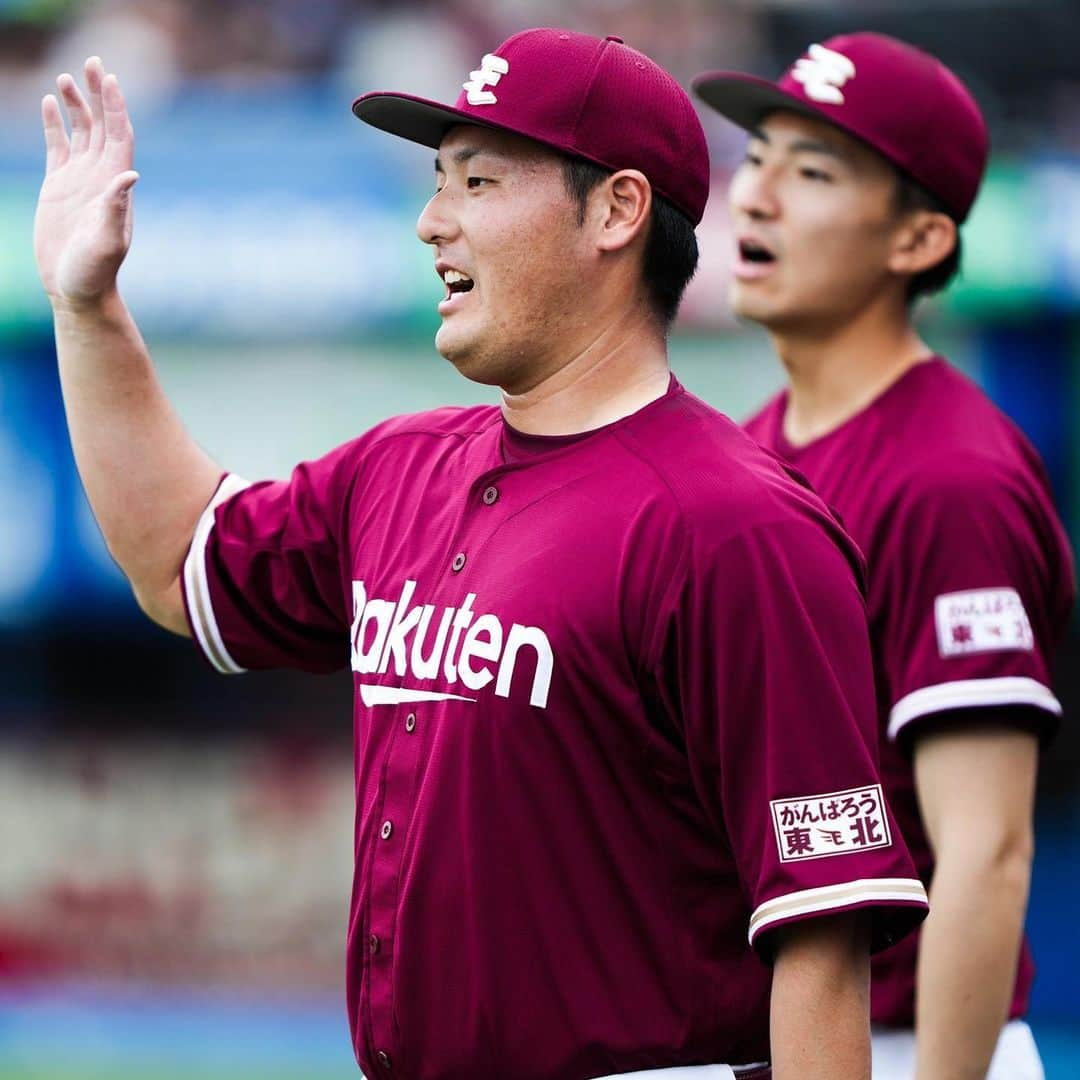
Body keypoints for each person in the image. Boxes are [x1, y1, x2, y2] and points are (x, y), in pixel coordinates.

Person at [35, 29, 928, 1080]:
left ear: (617, 210)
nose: (432, 221)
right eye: (436, 180)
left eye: (479, 179)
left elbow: (820, 945)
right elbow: (178, 561)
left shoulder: (741, 530)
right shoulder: (398, 468)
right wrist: (87, 309)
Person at [694, 32, 1075, 1080]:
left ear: (916, 239)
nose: (759, 194)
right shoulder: (750, 446)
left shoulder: (948, 479)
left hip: (919, 1048)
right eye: (760, 155)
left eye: (812, 172)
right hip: (788, 1039)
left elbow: (987, 857)